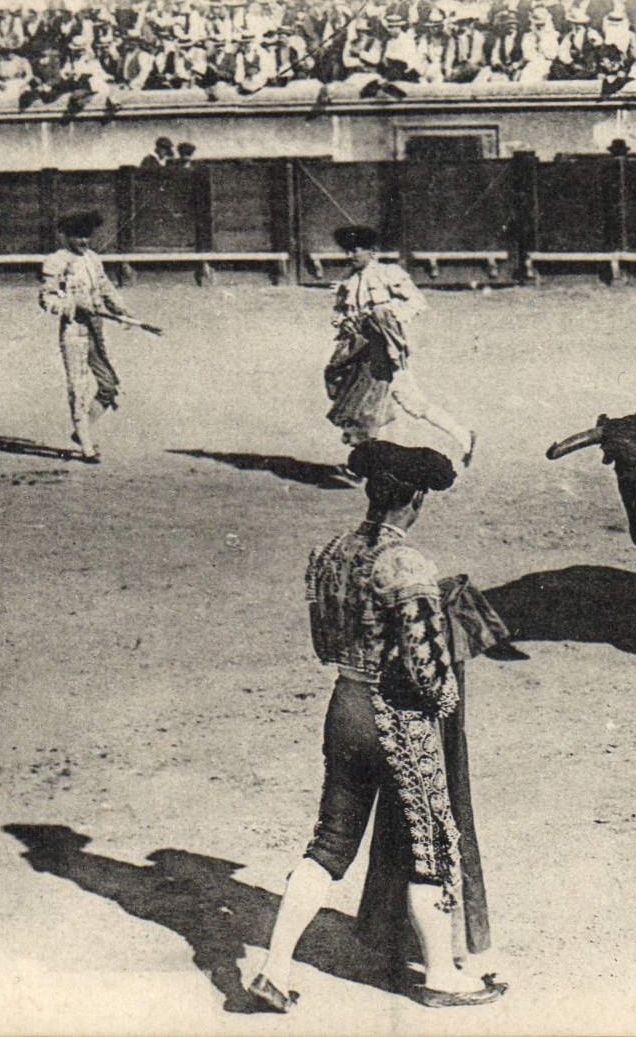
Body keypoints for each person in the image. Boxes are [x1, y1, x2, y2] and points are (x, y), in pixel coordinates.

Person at [249, 440, 505, 1011]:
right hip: (396, 714)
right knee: (431, 843)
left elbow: (323, 643)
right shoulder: (407, 564)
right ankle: (441, 973)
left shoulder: (330, 553)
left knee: (331, 841)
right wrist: (441, 700)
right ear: (413, 497)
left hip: (344, 702)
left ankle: (274, 965)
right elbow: (424, 661)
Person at [325, 225, 476, 464]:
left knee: (403, 403)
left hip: (386, 351)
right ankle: (367, 456)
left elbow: (417, 302)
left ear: (371, 252)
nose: (350, 256)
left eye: (356, 250)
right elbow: (341, 314)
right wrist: (344, 322)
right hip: (360, 352)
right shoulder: (348, 281)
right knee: (361, 395)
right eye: (348, 251)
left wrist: (388, 317)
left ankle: (461, 435)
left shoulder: (388, 273)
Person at [38, 210, 130, 463]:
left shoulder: (93, 259)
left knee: (109, 385)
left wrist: (122, 310)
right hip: (73, 330)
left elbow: (105, 288)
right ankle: (86, 445)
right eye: (78, 236)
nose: (83, 241)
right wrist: (73, 303)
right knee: (78, 387)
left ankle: (82, 432)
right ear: (64, 236)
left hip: (95, 329)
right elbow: (46, 298)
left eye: (86, 236)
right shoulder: (56, 261)